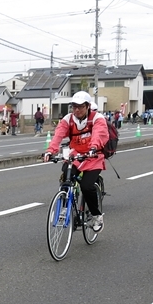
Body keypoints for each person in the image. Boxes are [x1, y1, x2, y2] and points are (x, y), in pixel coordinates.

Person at [43, 91, 109, 233]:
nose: (77, 110)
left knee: (86, 186)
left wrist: (93, 147)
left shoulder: (97, 119)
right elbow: (58, 135)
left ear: (87, 106)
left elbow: (99, 134)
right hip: (75, 156)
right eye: (74, 106)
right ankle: (65, 207)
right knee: (66, 179)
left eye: (80, 107)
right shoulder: (68, 119)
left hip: (93, 156)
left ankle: (96, 216)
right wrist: (50, 151)